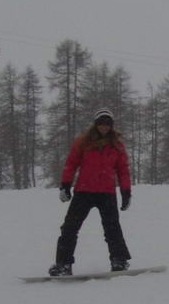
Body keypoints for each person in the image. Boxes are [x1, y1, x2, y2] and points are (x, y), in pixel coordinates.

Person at [48, 108, 132, 276]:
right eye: (101, 123)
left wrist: (126, 192)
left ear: (111, 126)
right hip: (84, 192)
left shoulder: (117, 146)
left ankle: (119, 261)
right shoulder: (82, 142)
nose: (104, 127)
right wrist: (65, 185)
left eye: (107, 123)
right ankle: (63, 264)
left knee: (112, 229)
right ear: (96, 124)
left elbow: (123, 171)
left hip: (106, 193)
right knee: (70, 228)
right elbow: (71, 164)